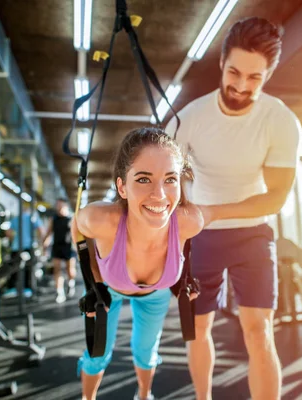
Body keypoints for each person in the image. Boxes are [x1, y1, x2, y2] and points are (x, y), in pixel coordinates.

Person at [166, 17, 301, 400]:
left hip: (252, 232)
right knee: (197, 327)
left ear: (269, 74)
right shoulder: (189, 118)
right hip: (202, 236)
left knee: (259, 330)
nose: (241, 86)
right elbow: (164, 177)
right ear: (222, 62)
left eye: (255, 78)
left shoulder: (281, 122)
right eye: (234, 72)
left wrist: (211, 212)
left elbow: (275, 198)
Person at [72, 127, 248, 400]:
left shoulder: (189, 222)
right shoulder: (101, 220)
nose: (160, 195)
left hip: (155, 296)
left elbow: (229, 208)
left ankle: (144, 396)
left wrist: (273, 198)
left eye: (170, 179)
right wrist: (93, 282)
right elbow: (78, 229)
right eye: (143, 179)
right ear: (122, 186)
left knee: (146, 350)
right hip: (110, 290)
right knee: (98, 352)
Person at [4, 204, 45, 298]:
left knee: (14, 268)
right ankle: (27, 289)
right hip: (28, 246)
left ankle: (12, 289)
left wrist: (14, 240)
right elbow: (41, 231)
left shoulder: (16, 218)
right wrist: (40, 243)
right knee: (28, 269)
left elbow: (8, 232)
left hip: (16, 247)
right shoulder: (32, 218)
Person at [43, 198, 77, 303]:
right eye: (57, 206)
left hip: (69, 247)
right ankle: (60, 292)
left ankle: (71, 283)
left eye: (61, 205)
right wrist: (44, 245)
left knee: (69, 270)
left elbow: (76, 234)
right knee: (57, 269)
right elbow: (48, 233)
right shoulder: (53, 219)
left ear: (65, 206)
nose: (59, 208)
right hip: (57, 246)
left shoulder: (71, 219)